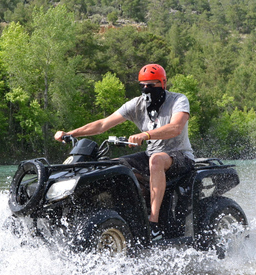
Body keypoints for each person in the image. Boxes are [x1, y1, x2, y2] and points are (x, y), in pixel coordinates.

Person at [54, 64, 194, 241]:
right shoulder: (137, 104)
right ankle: (119, 213)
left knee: (156, 161)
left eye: (151, 85)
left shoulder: (178, 100)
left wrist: (146, 134)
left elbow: (176, 127)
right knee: (113, 166)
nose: (146, 89)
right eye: (142, 85)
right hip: (152, 154)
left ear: (163, 83)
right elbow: (103, 124)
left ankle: (154, 224)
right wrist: (70, 133)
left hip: (180, 155)